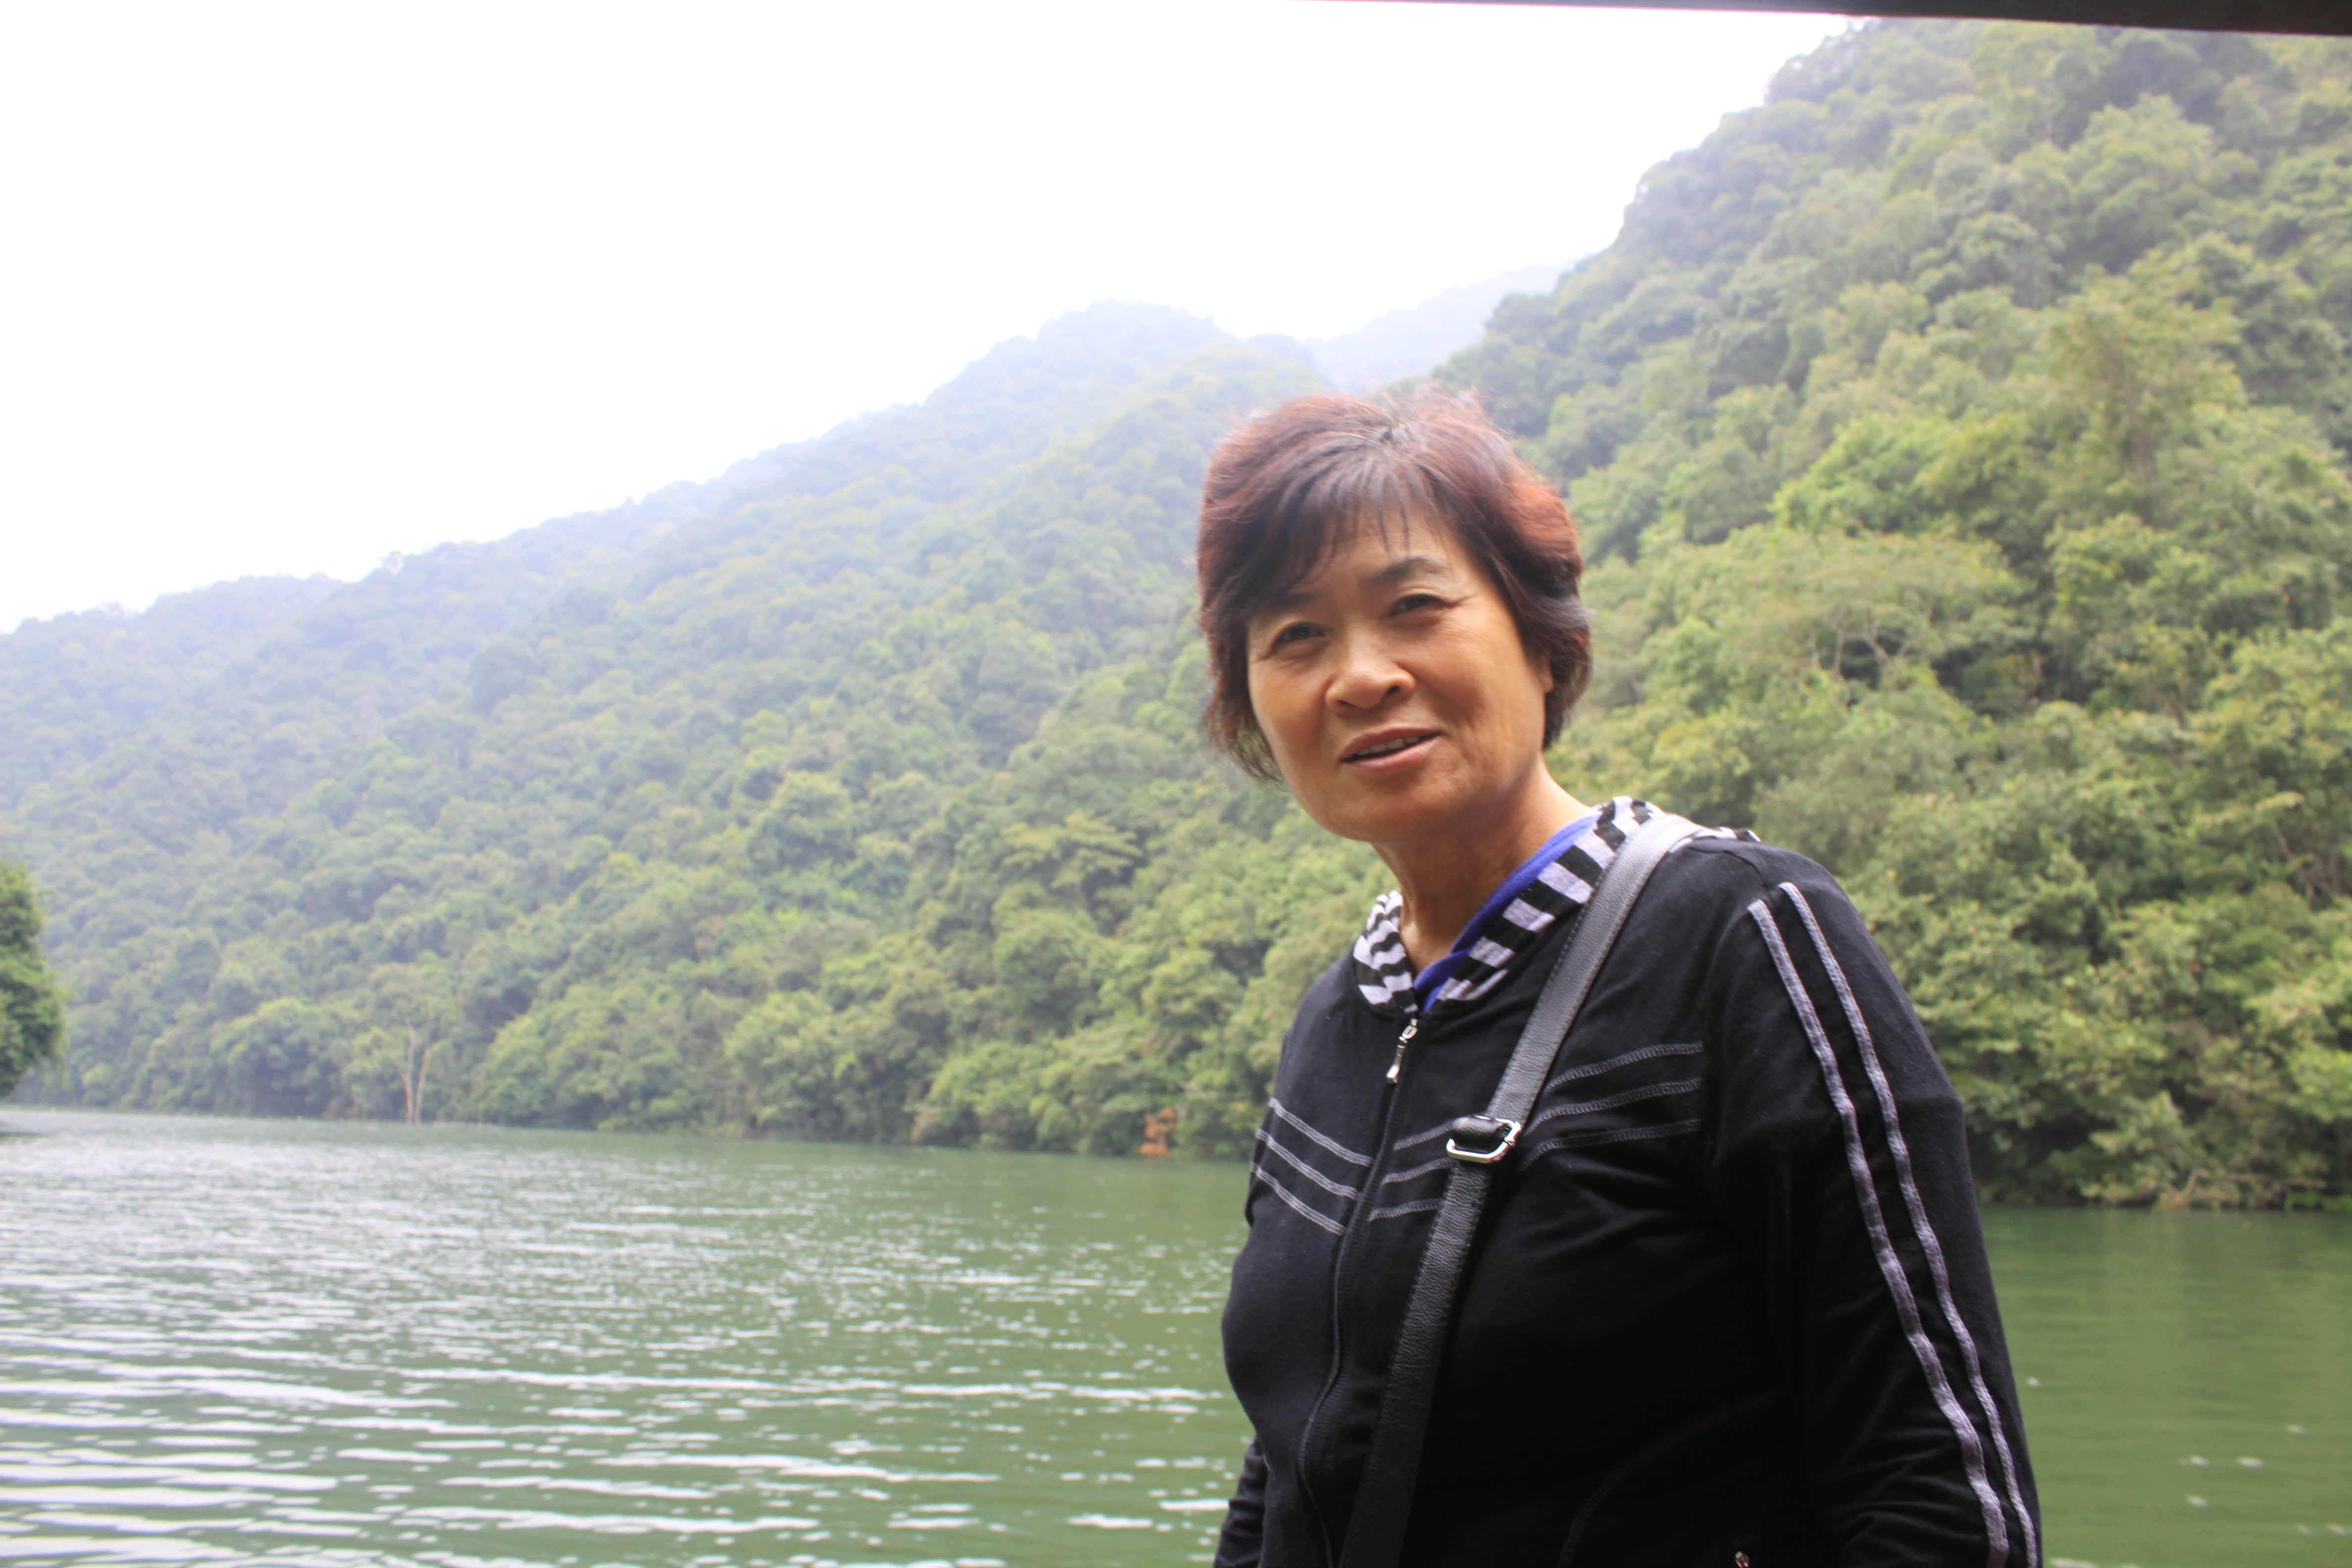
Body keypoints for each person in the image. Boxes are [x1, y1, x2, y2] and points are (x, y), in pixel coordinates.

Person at [1194, 390, 2039, 1568]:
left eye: (1415, 608)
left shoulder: (1744, 940)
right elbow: (1295, 1462)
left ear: (1545, 643)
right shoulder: (1340, 1018)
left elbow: (1942, 1502)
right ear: (1251, 707)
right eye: (1295, 637)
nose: (1362, 676)